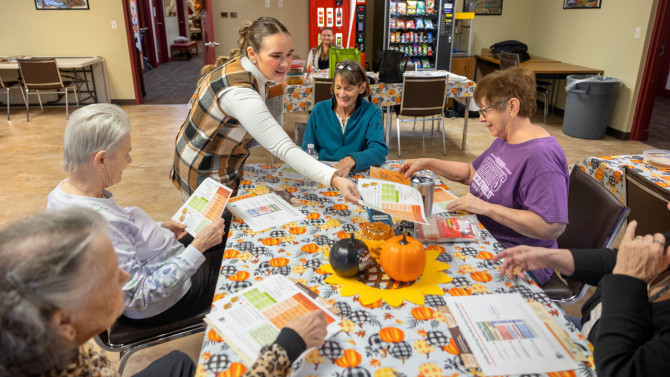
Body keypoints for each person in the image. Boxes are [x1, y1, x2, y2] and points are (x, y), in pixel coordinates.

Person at [0, 207, 329, 377]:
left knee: (178, 363)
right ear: (63, 323)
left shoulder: (46, 341)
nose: (124, 275)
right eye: (107, 276)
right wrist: (287, 347)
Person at [46, 103, 227, 323]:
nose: (129, 161)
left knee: (224, 219)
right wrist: (198, 248)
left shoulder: (64, 192)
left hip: (161, 259)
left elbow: (121, 238)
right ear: (101, 160)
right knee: (233, 251)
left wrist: (158, 226)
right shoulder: (99, 226)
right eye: (126, 154)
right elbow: (139, 296)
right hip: (169, 300)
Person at [399, 67, 568, 285]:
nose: (481, 118)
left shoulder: (541, 158)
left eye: (485, 111)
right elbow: (472, 173)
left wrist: (485, 207)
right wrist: (428, 163)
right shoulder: (507, 138)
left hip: (518, 259)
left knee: (435, 278)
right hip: (484, 235)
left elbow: (551, 226)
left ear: (512, 107)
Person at [170, 17, 359, 203]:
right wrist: (334, 179)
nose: (285, 63)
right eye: (276, 56)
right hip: (204, 167)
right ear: (253, 54)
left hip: (221, 156)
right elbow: (283, 147)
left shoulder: (248, 65)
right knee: (212, 229)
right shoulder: (240, 93)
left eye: (289, 54)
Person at [493, 212, 670, 377]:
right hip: (591, 332)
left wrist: (627, 277)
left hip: (602, 360)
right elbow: (621, 260)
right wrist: (549, 257)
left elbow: (619, 369)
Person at [301, 59, 388, 177]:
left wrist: (350, 160)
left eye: (348, 89)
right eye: (338, 87)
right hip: (325, 175)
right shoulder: (319, 110)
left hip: (355, 174)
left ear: (362, 88)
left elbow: (379, 151)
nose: (342, 94)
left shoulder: (372, 112)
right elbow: (306, 149)